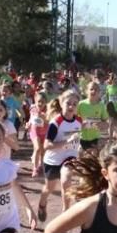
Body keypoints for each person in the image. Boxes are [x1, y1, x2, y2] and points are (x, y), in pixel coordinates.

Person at [38, 90, 82, 221]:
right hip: (52, 160)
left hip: (69, 156)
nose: (71, 106)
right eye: (68, 103)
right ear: (61, 104)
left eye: (74, 104)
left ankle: (65, 211)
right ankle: (42, 203)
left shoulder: (79, 120)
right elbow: (46, 145)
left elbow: (80, 132)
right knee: (49, 188)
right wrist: (66, 142)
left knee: (66, 178)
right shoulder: (55, 122)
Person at [78, 81, 107, 152]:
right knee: (82, 160)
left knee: (94, 160)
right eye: (91, 89)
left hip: (96, 138)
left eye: (96, 89)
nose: (94, 91)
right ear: (86, 91)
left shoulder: (102, 105)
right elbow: (73, 120)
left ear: (99, 92)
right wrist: (80, 124)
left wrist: (102, 124)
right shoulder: (81, 104)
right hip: (81, 138)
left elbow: (106, 122)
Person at [27, 92, 49, 177]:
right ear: (35, 101)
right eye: (39, 101)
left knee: (43, 151)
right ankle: (35, 168)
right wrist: (28, 123)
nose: (40, 103)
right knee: (37, 148)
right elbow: (31, 118)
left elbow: (50, 121)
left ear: (45, 102)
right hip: (35, 131)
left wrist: (44, 118)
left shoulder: (48, 110)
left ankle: (41, 165)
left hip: (44, 132)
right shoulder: (32, 108)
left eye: (43, 102)